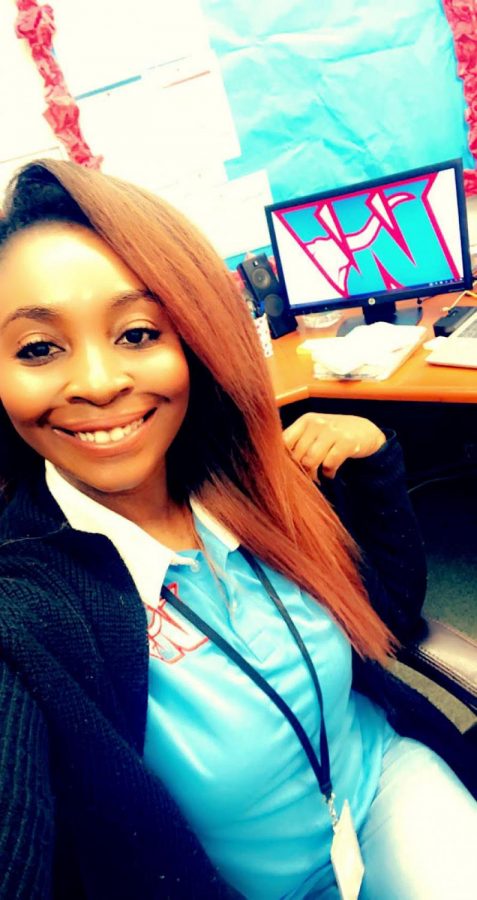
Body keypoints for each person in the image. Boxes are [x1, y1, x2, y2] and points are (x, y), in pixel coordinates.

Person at [0, 160, 475, 900]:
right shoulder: (25, 601)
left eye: (136, 332)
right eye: (37, 348)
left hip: (376, 789)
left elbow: (387, 615)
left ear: (191, 338)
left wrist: (376, 467)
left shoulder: (243, 479)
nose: (96, 381)